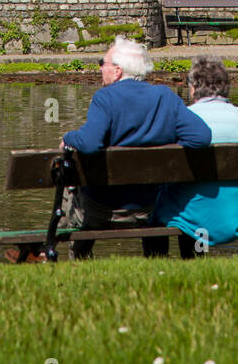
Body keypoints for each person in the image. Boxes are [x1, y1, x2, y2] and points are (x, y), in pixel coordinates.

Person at [58, 36, 212, 240]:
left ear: (117, 70)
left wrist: (68, 137)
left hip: (101, 208)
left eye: (102, 63)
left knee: (67, 182)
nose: (100, 69)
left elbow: (89, 143)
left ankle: (64, 255)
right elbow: (201, 136)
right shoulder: (165, 96)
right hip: (147, 207)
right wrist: (169, 146)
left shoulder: (105, 98)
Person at [153, 55, 238, 249]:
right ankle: (196, 256)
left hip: (197, 213)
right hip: (236, 212)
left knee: (169, 204)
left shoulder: (187, 116)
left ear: (194, 87)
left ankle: (162, 261)